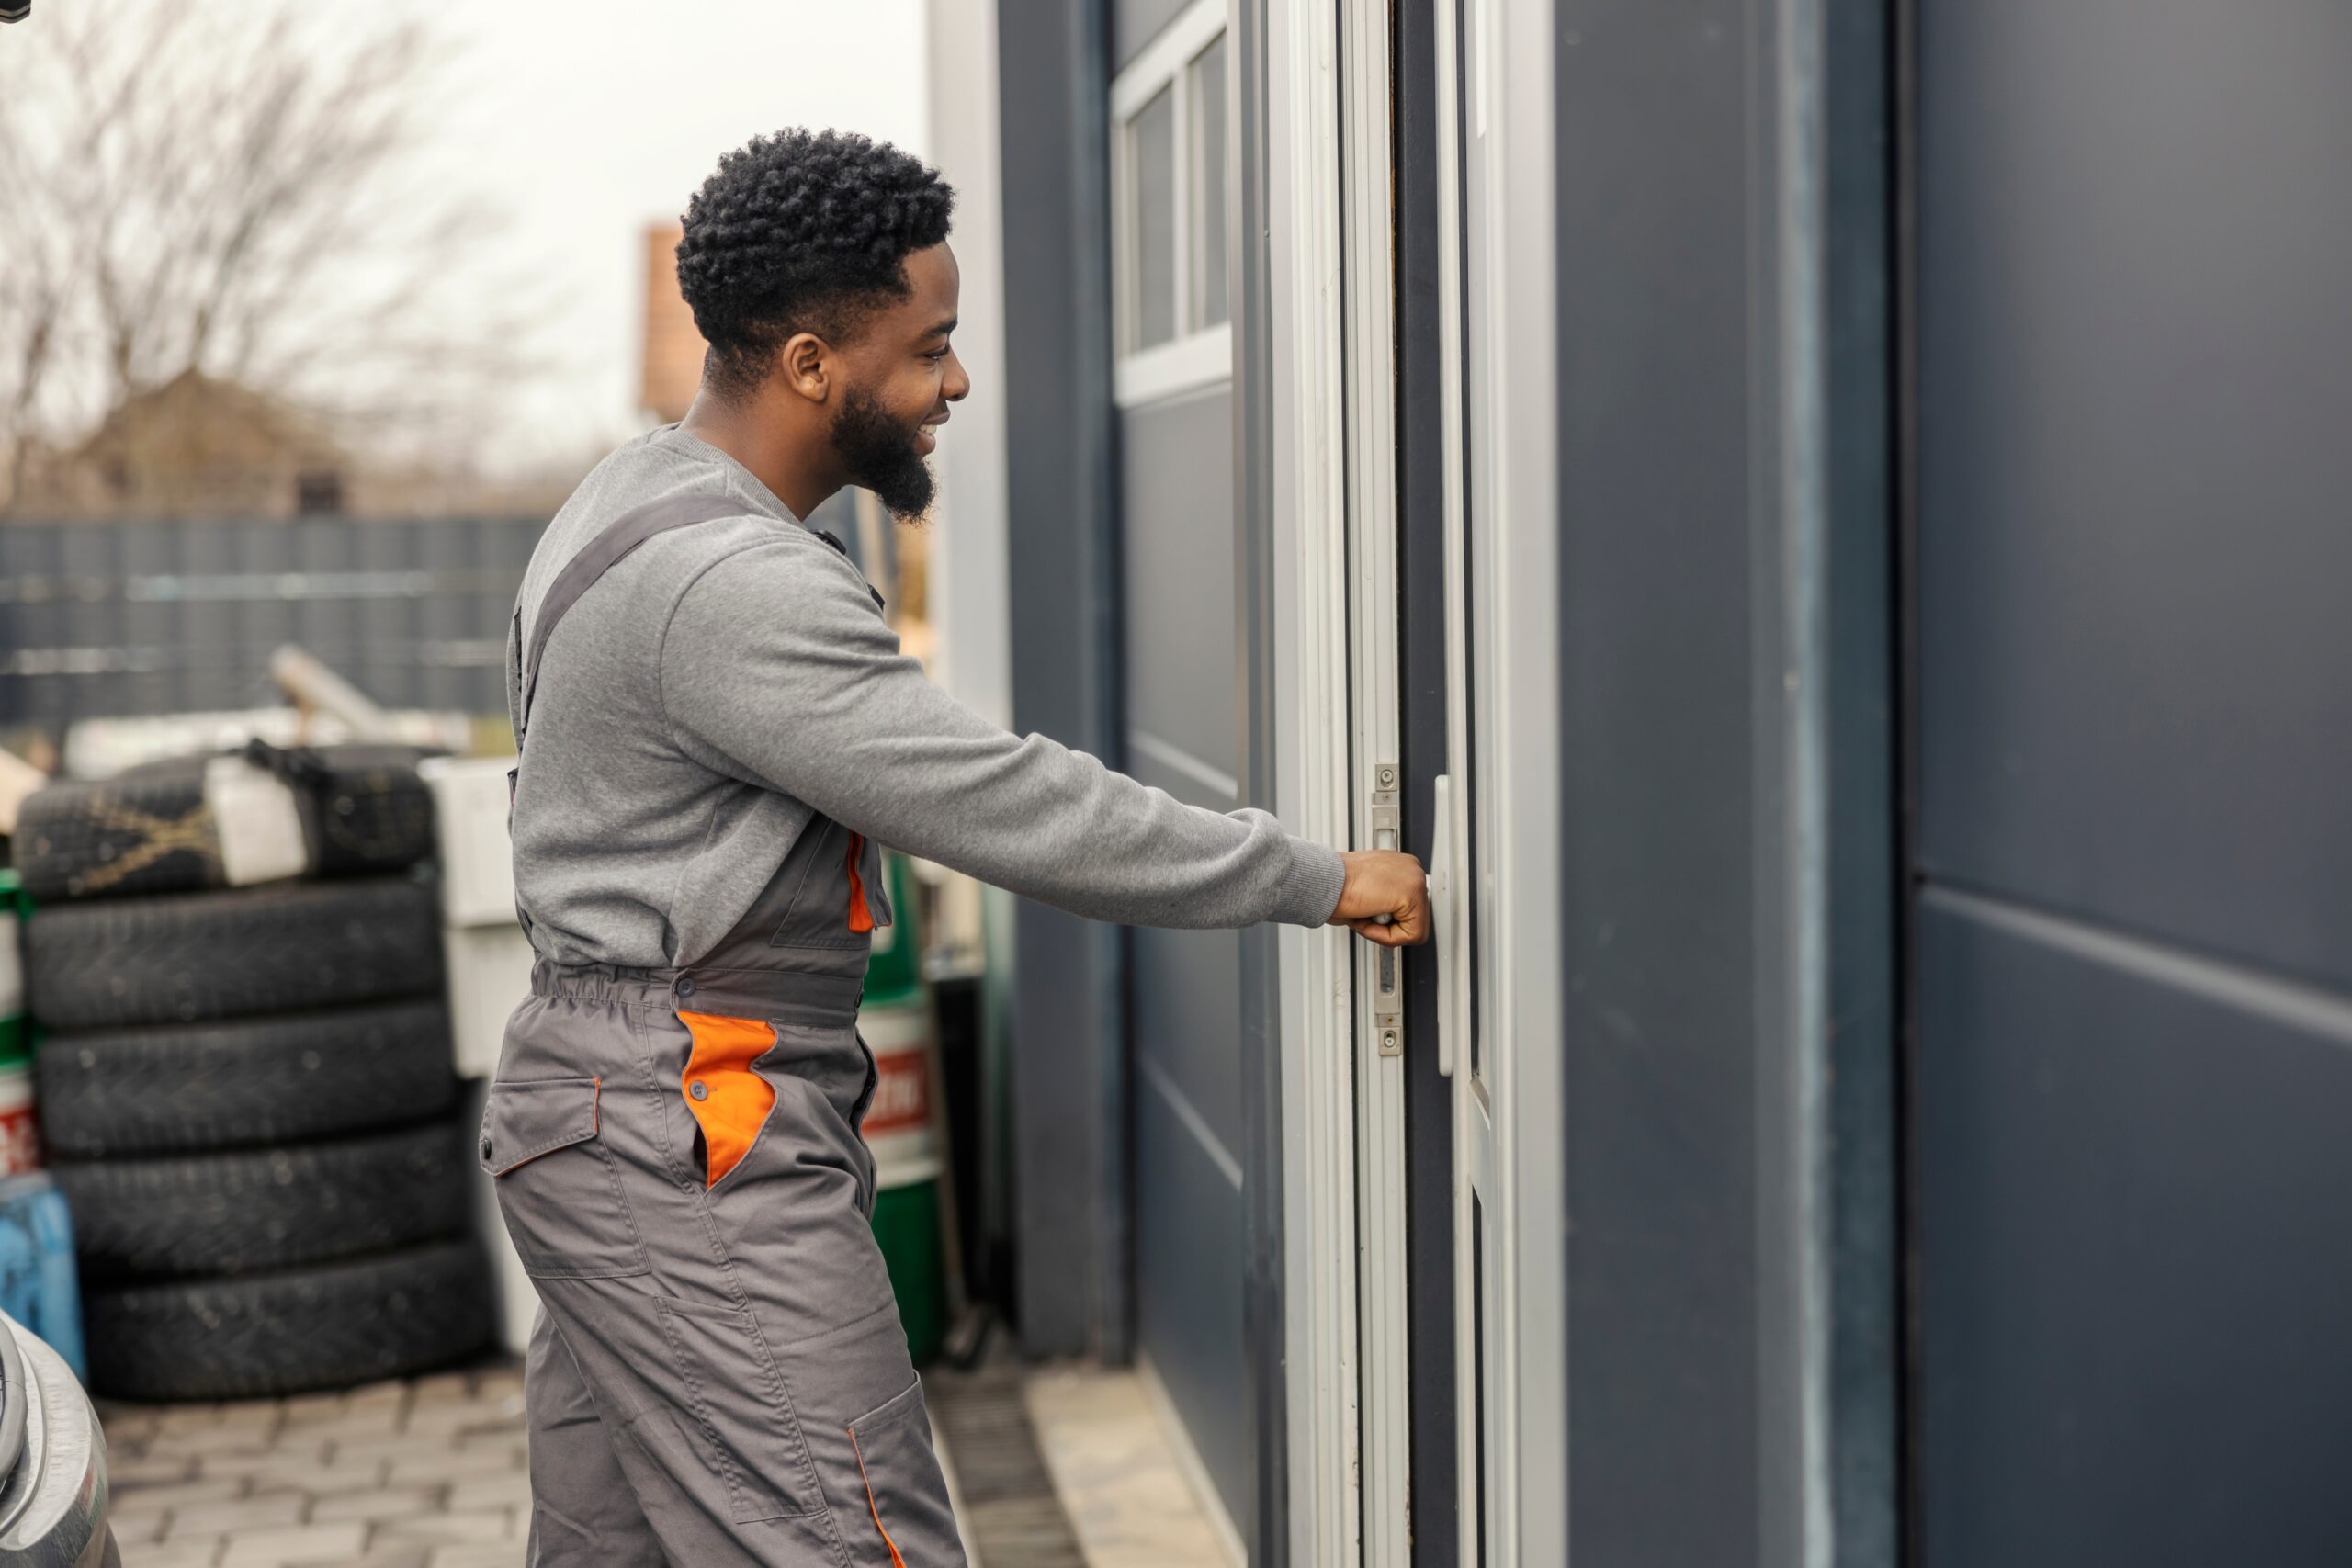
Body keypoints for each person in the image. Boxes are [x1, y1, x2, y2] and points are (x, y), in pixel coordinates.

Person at [484, 128, 1429, 1568]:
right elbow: (1006, 801)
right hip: (691, 1124)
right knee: (862, 1539)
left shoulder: (624, 501)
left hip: (605, 1111)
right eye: (931, 349)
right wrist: (1315, 874)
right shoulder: (736, 585)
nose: (956, 384)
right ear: (811, 365)